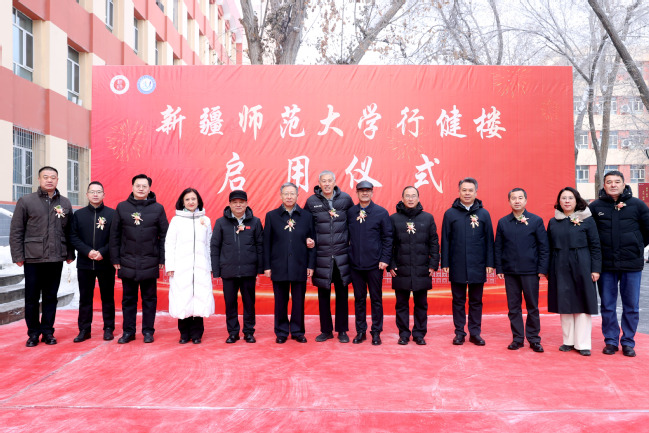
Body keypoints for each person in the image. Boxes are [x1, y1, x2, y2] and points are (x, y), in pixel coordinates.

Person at [10, 166, 75, 347]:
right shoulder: (26, 201)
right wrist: (18, 255)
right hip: (33, 258)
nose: (49, 180)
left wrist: (70, 253)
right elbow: (16, 230)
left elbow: (70, 231)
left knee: (50, 297)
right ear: (39, 179)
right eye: (45, 177)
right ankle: (33, 333)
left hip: (55, 258)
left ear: (57, 180)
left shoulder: (65, 203)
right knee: (31, 298)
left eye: (53, 177)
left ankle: (47, 332)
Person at [589, 171, 649, 357]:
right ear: (604, 185)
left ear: (624, 184)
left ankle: (628, 341)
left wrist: (637, 246)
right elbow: (591, 235)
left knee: (631, 305)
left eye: (617, 181)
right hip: (606, 265)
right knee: (607, 304)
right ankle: (611, 341)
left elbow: (647, 231)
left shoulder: (638, 205)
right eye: (609, 182)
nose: (613, 185)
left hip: (632, 263)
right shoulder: (595, 207)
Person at [110, 174, 168, 344]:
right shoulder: (122, 207)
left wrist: (162, 259)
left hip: (150, 261)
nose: (141, 189)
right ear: (132, 187)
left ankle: (148, 331)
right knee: (128, 300)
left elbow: (165, 235)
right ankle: (128, 332)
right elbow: (114, 235)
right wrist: (115, 258)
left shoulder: (158, 208)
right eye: (138, 186)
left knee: (149, 300)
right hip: (127, 260)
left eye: (144, 186)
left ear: (149, 189)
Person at [547, 187, 601, 356]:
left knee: (583, 302)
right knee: (565, 302)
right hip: (560, 265)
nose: (567, 201)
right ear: (559, 201)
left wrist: (596, 269)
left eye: (570, 198)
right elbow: (548, 247)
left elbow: (595, 246)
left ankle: (583, 343)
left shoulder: (587, 219)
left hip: (583, 264)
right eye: (563, 198)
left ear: (577, 200)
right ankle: (568, 341)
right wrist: (548, 269)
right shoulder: (553, 221)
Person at [441, 177, 494, 346]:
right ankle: (459, 333)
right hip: (457, 264)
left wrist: (490, 263)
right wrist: (445, 263)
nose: (467, 193)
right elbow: (445, 239)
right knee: (458, 300)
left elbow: (489, 240)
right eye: (464, 190)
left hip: (478, 264)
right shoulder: (450, 214)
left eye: (470, 190)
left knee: (476, 301)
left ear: (476, 192)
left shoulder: (483, 214)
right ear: (459, 192)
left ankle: (475, 333)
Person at [495, 188, 549, 353]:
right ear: (509, 201)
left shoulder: (536, 221)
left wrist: (542, 269)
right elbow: (498, 247)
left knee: (532, 306)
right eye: (513, 198)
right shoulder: (503, 222)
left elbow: (544, 247)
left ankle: (534, 339)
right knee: (513, 308)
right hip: (510, 272)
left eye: (520, 198)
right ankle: (517, 339)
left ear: (525, 200)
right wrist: (500, 268)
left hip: (531, 271)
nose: (517, 201)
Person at [305, 170, 354, 343]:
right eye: (323, 181)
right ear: (319, 183)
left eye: (329, 181)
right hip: (321, 256)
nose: (326, 184)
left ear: (334, 182)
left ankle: (342, 330)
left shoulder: (345, 199)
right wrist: (308, 239)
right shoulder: (312, 201)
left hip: (341, 256)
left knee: (342, 294)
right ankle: (326, 330)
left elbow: (353, 223)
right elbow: (306, 224)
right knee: (323, 296)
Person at [263, 182, 316, 344]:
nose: (289, 196)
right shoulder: (272, 216)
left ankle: (298, 331)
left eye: (292, 193)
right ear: (281, 196)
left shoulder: (306, 216)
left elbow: (312, 242)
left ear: (297, 196)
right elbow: (266, 243)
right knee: (280, 301)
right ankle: (281, 331)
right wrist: (267, 266)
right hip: (278, 265)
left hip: (300, 264)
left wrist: (310, 265)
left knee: (299, 300)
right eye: (286, 193)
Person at [388, 186, 439, 346]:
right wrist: (391, 264)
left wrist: (433, 264)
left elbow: (434, 243)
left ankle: (419, 334)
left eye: (413, 196)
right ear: (402, 198)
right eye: (407, 196)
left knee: (421, 304)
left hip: (422, 267)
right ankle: (403, 334)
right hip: (400, 268)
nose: (410, 199)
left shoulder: (428, 218)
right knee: (401, 305)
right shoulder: (393, 219)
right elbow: (389, 244)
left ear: (418, 198)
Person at [211, 190, 263, 344]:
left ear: (246, 204)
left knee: (249, 303)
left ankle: (249, 332)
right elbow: (215, 247)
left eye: (241, 202)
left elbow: (260, 245)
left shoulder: (255, 222)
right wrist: (216, 270)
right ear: (229, 204)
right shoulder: (221, 222)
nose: (238, 205)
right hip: (228, 271)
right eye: (235, 202)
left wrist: (260, 268)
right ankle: (233, 333)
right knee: (230, 304)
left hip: (248, 271)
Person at [165, 188, 214, 344]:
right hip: (181, 267)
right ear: (182, 202)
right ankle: (184, 334)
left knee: (199, 298)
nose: (191, 202)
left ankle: (197, 334)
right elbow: (170, 244)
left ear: (198, 201)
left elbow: (209, 244)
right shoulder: (176, 220)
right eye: (187, 199)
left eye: (193, 199)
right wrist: (170, 266)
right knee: (182, 299)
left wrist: (210, 266)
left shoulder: (206, 220)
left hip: (201, 267)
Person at [69, 181, 116, 342]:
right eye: (92, 191)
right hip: (85, 263)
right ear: (87, 194)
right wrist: (87, 251)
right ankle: (84, 330)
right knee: (85, 298)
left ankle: (108, 328)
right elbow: (73, 236)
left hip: (105, 262)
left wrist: (103, 252)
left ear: (104, 194)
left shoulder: (112, 214)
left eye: (99, 191)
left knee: (107, 297)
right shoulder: (79, 215)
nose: (95, 194)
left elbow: (115, 238)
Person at [347, 180, 392, 346]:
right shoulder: (351, 212)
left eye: (367, 190)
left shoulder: (381, 212)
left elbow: (388, 238)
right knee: (359, 299)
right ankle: (360, 331)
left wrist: (385, 259)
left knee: (376, 299)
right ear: (357, 193)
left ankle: (376, 331)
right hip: (355, 265)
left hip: (375, 265)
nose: (364, 193)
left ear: (372, 193)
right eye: (361, 190)